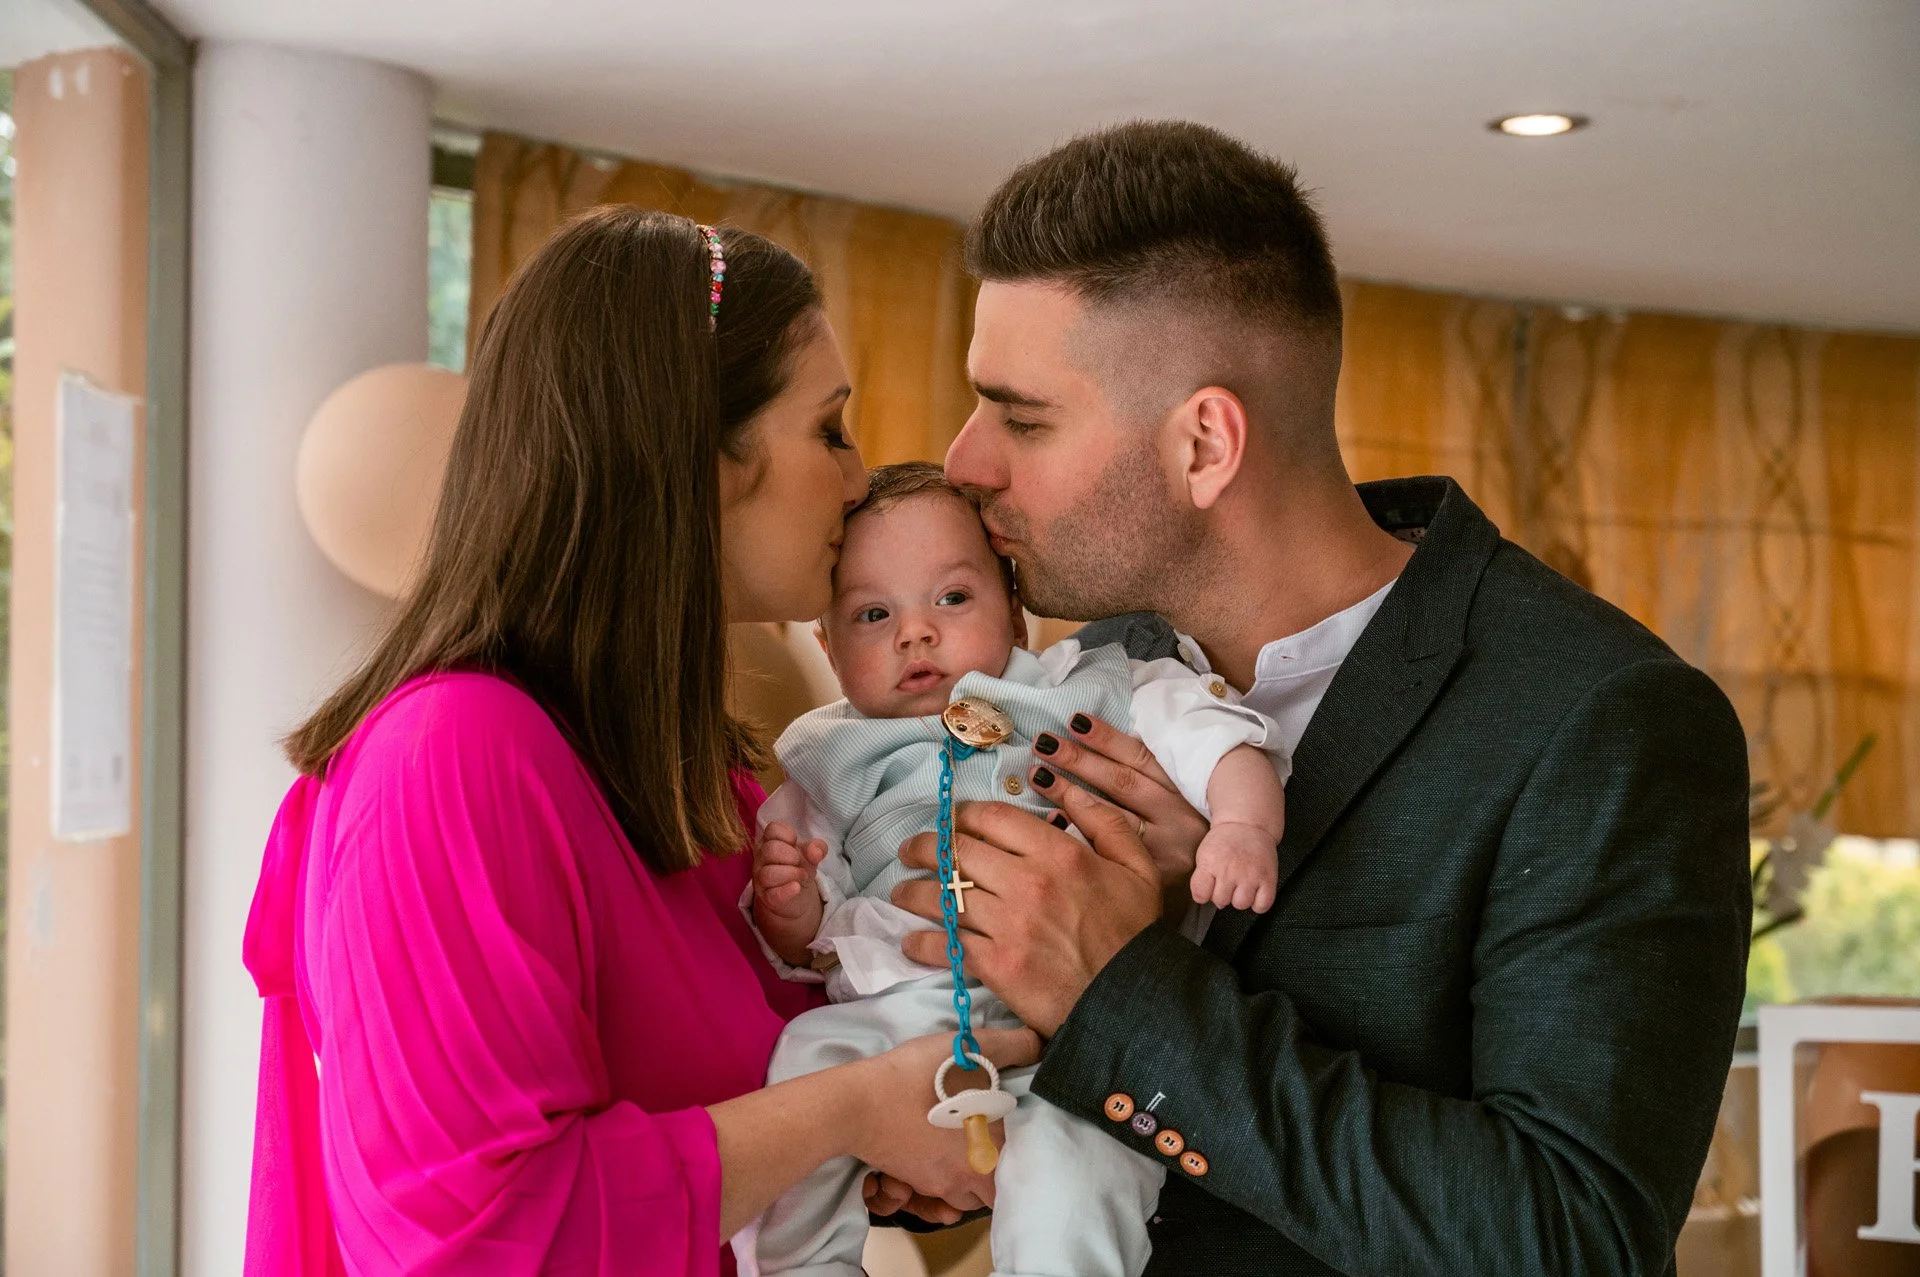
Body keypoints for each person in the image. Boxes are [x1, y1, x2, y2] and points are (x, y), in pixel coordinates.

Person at [883, 121, 1752, 1275]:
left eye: (1023, 417)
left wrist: (1121, 996)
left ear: (1206, 443)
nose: (964, 461)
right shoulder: (1076, 680)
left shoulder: (1603, 719)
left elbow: (1569, 1238)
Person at [240, 207, 1035, 1277]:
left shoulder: (708, 772)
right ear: (704, 456)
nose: (858, 482)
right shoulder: (451, 754)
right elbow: (476, 1234)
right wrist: (849, 1109)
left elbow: (801, 1103)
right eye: (830, 429)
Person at [745, 462, 1288, 1275]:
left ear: (1019, 617)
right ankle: (808, 1264)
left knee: (1083, 1155)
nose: (915, 632)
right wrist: (787, 907)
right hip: (901, 1015)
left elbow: (1212, 734)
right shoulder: (829, 755)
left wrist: (1242, 825)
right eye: (872, 613)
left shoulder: (1086, 687)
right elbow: (804, 909)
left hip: (1081, 1018)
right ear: (828, 646)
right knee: (800, 1070)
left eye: (953, 598)